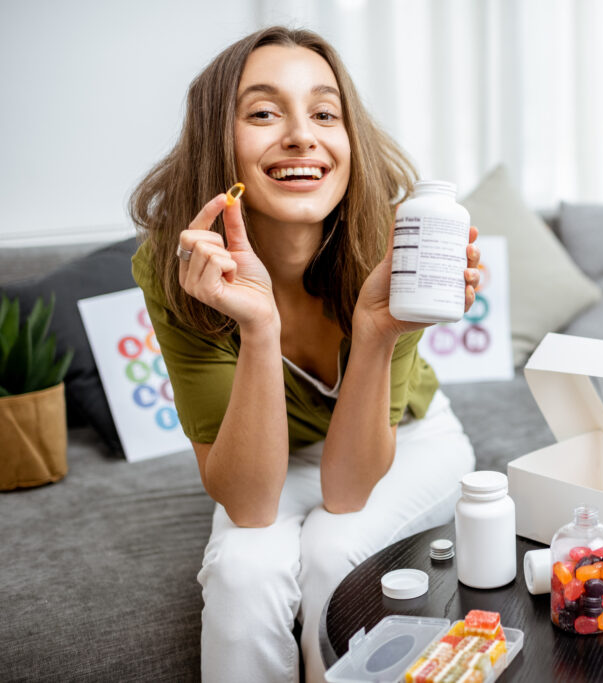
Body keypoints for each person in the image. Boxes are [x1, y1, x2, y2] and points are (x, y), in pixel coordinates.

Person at [129, 26, 479, 683]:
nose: (301, 136)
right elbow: (251, 504)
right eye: (264, 112)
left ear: (349, 141)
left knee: (332, 548)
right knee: (242, 569)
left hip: (409, 436)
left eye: (325, 113)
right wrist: (258, 328)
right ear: (218, 141)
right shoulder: (173, 263)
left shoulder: (395, 241)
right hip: (269, 452)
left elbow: (346, 493)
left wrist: (376, 329)